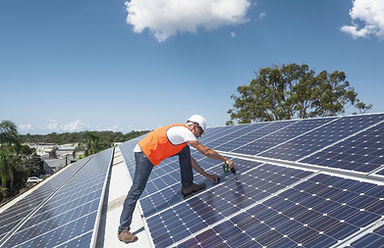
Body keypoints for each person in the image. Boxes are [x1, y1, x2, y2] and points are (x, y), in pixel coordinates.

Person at [117, 114, 235, 243]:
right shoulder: (183, 131)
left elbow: (191, 161)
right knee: (137, 189)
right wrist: (226, 159)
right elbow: (205, 151)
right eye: (200, 132)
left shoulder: (182, 140)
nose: (200, 136)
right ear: (194, 127)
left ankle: (187, 186)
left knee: (185, 152)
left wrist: (206, 175)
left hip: (155, 152)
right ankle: (122, 230)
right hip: (144, 153)